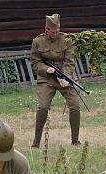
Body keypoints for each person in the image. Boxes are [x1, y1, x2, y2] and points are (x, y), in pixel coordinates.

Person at [29, 14, 81, 147]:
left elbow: (69, 61)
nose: (55, 34)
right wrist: (46, 69)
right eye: (52, 32)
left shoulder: (67, 40)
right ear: (46, 29)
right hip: (47, 79)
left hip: (64, 77)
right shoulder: (37, 42)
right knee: (43, 107)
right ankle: (36, 142)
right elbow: (35, 63)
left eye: (57, 31)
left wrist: (66, 77)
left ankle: (75, 141)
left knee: (75, 106)